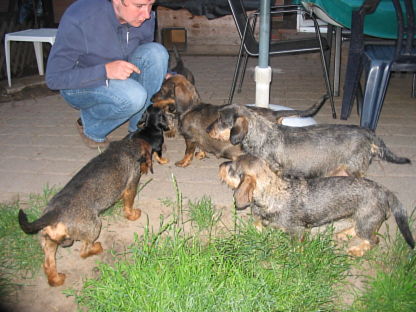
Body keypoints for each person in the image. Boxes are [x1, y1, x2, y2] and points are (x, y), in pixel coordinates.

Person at [46, 0, 169, 148]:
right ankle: (91, 125)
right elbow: (54, 79)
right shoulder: (81, 17)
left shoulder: (141, 18)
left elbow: (145, 55)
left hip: (120, 77)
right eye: (139, 6)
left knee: (157, 52)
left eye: (151, 5)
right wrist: (105, 71)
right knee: (134, 96)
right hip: (80, 85)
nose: (147, 14)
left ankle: (140, 132)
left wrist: (163, 74)